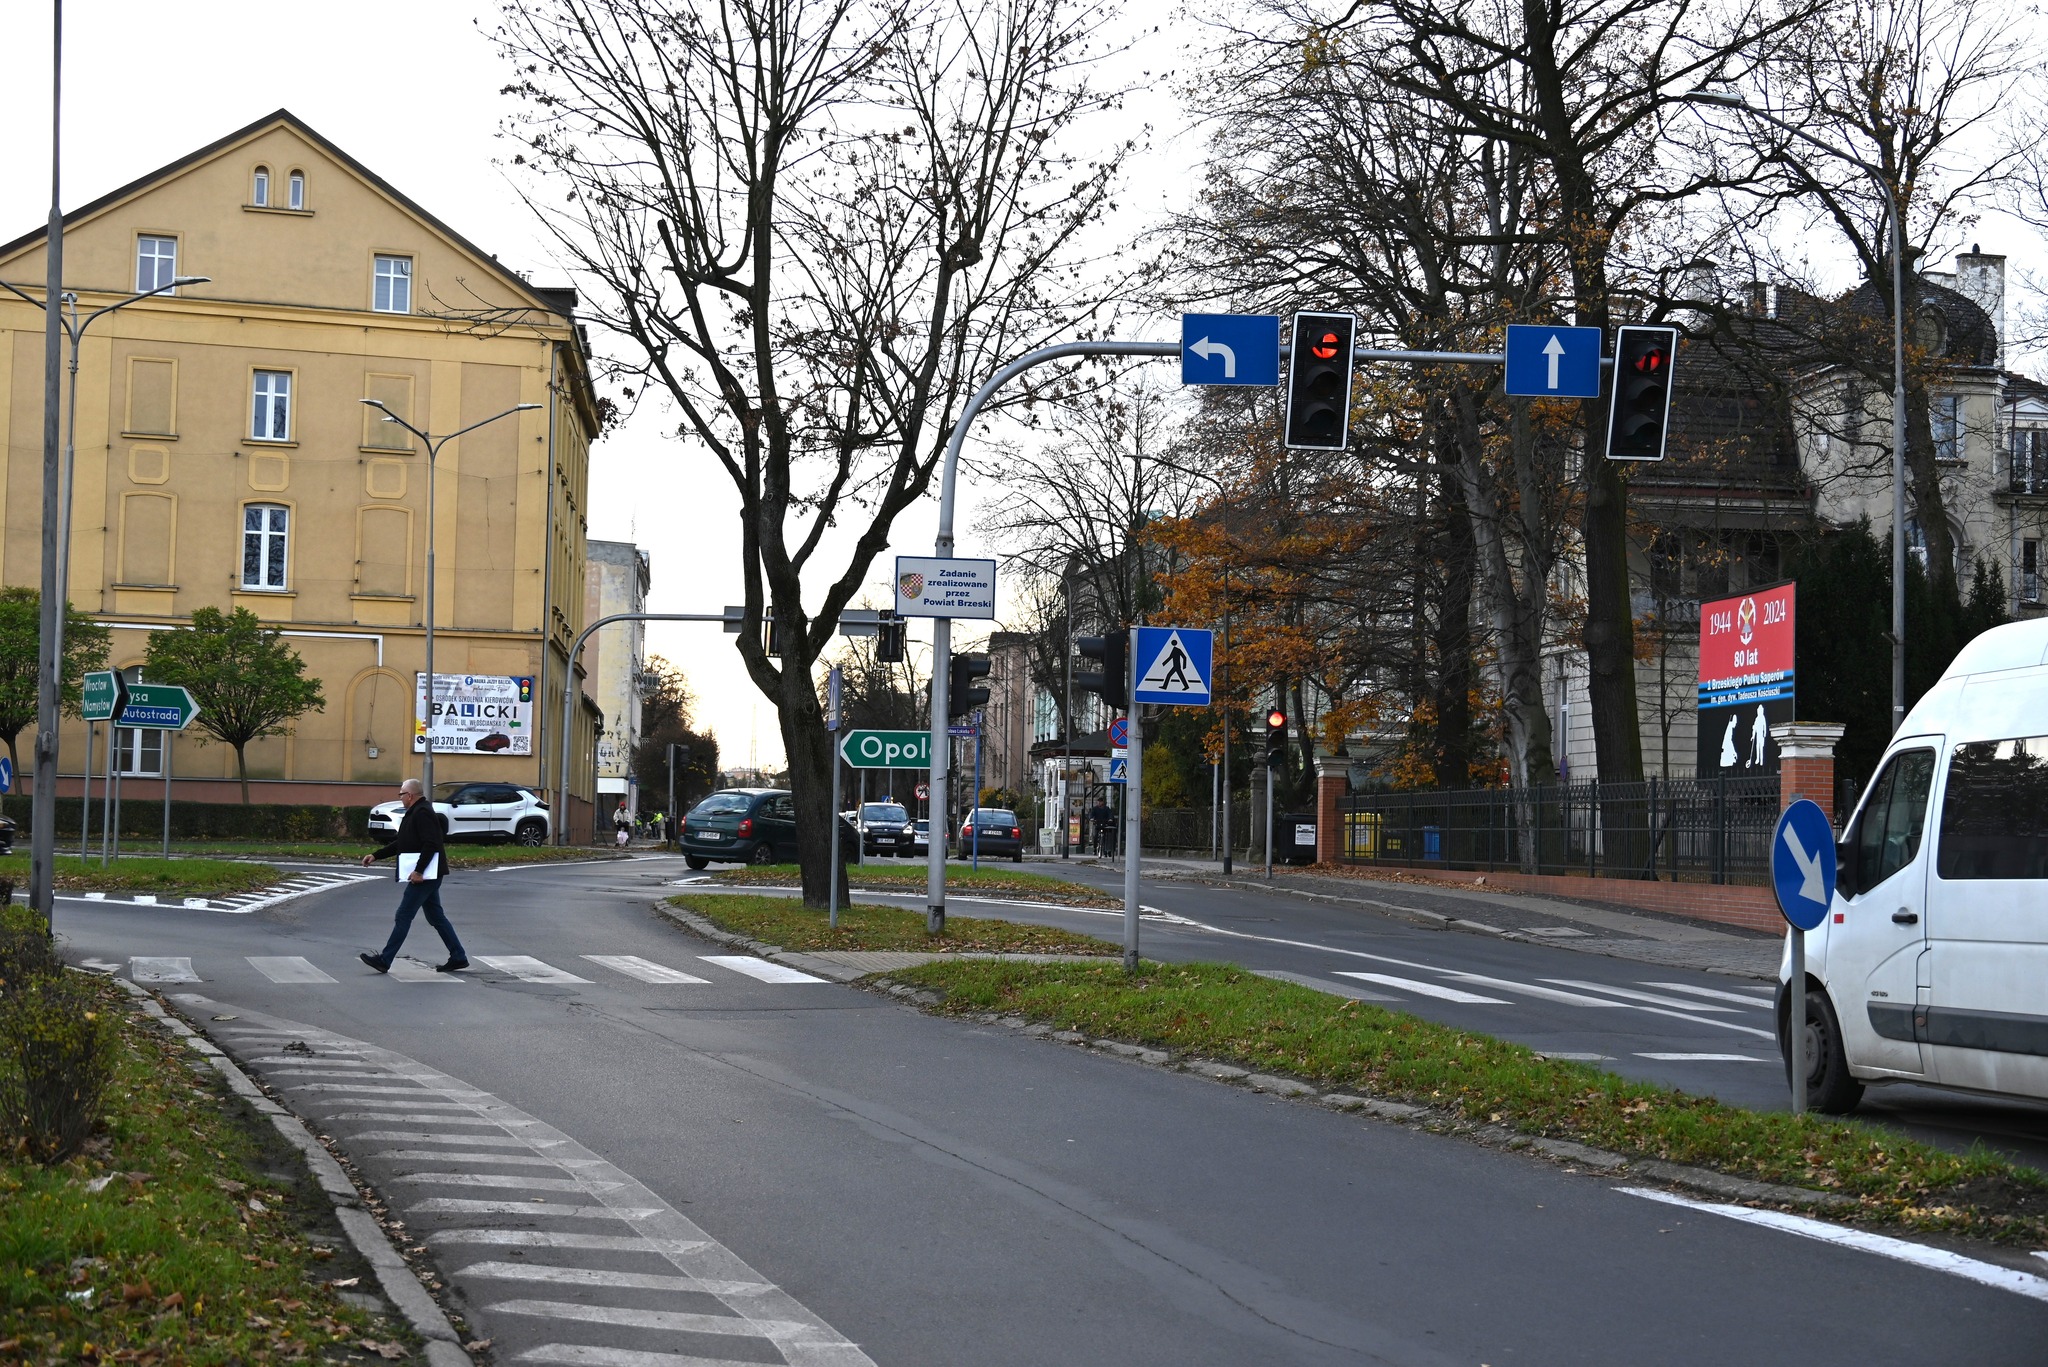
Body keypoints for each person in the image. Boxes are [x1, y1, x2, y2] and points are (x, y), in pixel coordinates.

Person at [358, 778, 466, 974]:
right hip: (429, 874)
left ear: (410, 795)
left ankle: (385, 959)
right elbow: (402, 843)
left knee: (403, 914)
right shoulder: (415, 812)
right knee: (436, 917)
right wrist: (376, 855)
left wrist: (419, 871)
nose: (399, 797)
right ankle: (458, 956)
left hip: (426, 876)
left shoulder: (423, 812)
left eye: (401, 794)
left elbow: (432, 843)